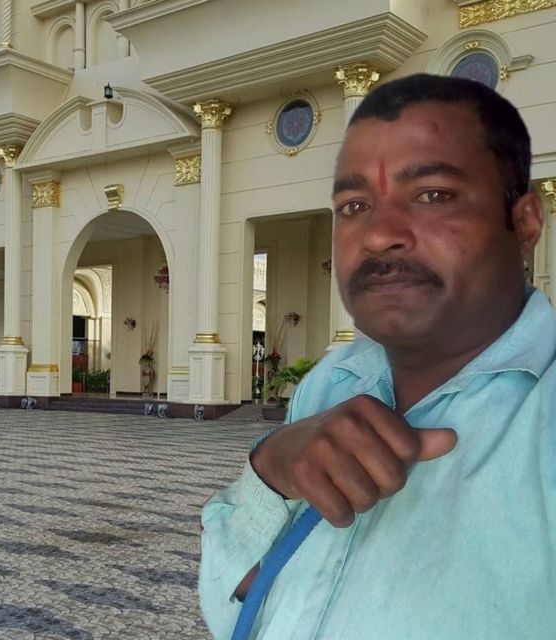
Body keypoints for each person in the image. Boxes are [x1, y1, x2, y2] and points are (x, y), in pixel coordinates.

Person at [199, 73, 556, 639]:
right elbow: (233, 610)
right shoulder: (332, 383)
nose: (377, 234)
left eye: (433, 194)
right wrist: (272, 469)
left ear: (525, 222)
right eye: (354, 205)